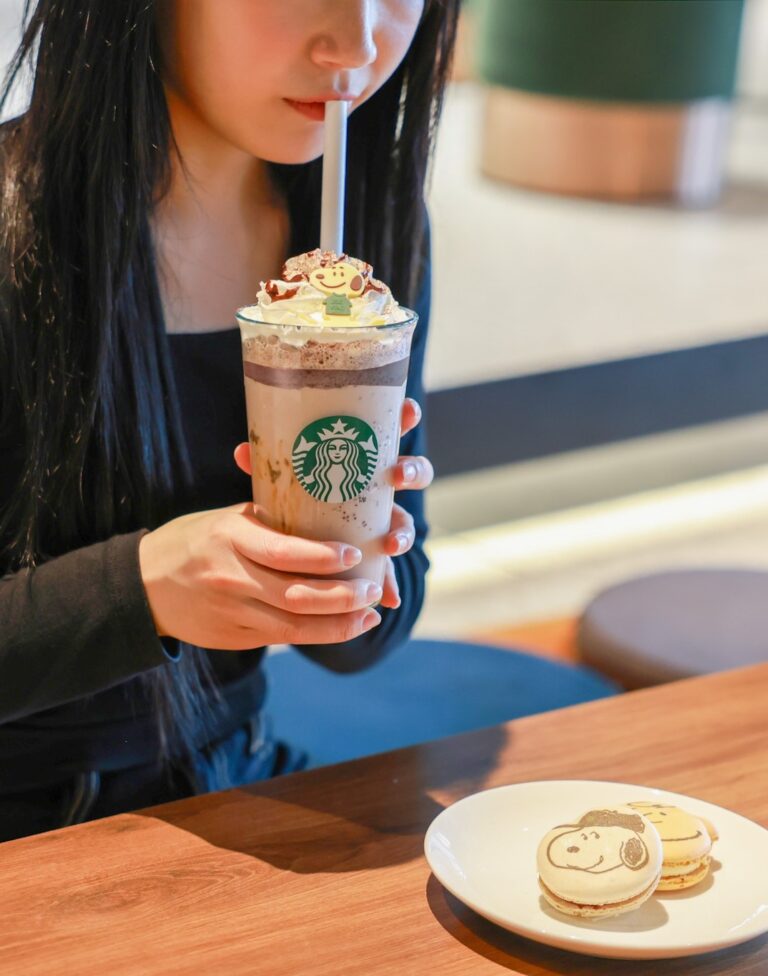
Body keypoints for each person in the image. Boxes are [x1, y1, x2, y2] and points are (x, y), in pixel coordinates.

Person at [0, 0, 458, 842]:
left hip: (228, 776)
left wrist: (350, 559)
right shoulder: (14, 235)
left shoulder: (358, 241)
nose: (356, 45)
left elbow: (367, 642)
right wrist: (144, 590)